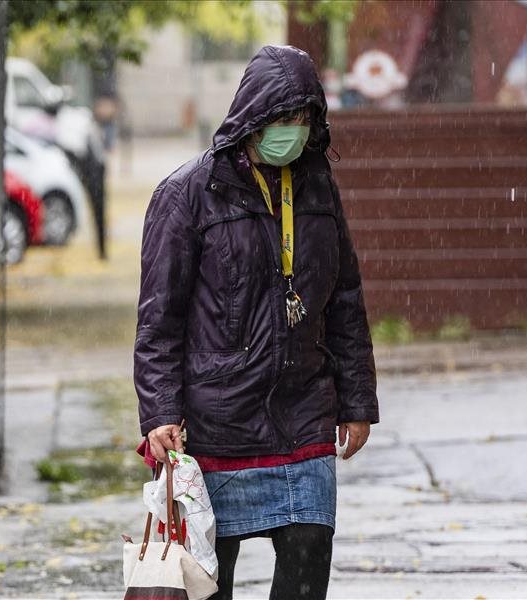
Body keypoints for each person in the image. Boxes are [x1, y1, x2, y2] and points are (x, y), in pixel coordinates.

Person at [134, 45, 378, 600]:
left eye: (302, 120)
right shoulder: (187, 194)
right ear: (252, 116)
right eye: (281, 119)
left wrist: (357, 401)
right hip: (213, 418)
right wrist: (159, 412)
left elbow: (344, 297)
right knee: (205, 581)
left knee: (310, 548)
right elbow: (159, 319)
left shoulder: (317, 188)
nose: (291, 132)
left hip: (304, 408)